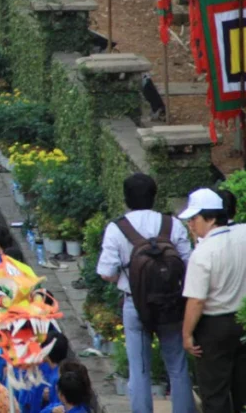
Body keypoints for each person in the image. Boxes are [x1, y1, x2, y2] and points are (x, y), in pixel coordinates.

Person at [96, 174, 194, 413]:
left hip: (135, 305)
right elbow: (190, 263)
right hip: (172, 304)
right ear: (154, 196)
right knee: (178, 367)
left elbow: (106, 272)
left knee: (139, 369)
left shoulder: (117, 228)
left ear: (126, 198)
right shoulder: (172, 224)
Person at [179, 188, 246, 413]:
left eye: (194, 219)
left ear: (210, 217)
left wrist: (187, 334)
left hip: (213, 326)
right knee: (241, 387)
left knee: (214, 392)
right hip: (242, 318)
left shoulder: (203, 252)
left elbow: (196, 300)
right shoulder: (242, 235)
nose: (191, 224)